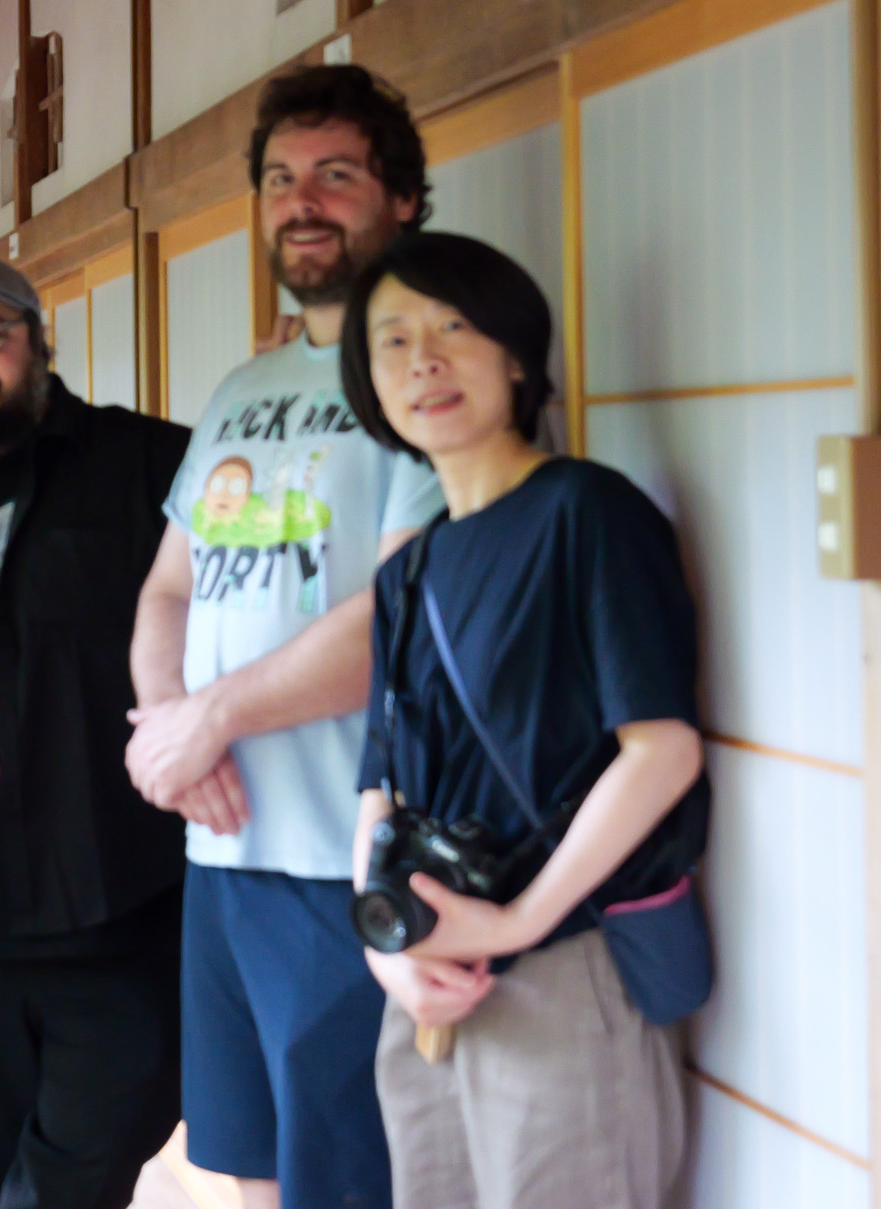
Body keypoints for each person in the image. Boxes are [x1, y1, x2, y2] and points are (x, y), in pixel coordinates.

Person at [125, 65, 445, 1208]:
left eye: (335, 174)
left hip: (341, 857)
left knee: (344, 1179)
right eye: (278, 178)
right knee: (250, 1168)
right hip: (221, 856)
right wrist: (172, 729)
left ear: (399, 198)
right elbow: (167, 589)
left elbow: (405, 613)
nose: (300, 201)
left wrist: (204, 721)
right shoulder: (241, 385)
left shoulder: (429, 375)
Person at [340, 231, 710, 1209]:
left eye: (453, 327)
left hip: (558, 964)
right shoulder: (407, 571)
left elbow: (661, 750)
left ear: (513, 354)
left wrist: (515, 919)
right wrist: (382, 949)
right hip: (426, 977)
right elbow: (379, 785)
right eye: (392, 339)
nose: (422, 359)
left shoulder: (586, 513)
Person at [0, 256, 191, 1208]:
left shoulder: (149, 460)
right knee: (14, 1167)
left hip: (114, 891)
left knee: (74, 1167)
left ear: (37, 343)